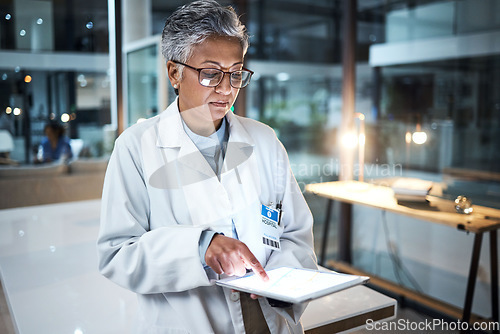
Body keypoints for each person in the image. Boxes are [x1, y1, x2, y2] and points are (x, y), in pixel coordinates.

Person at [97, 1, 317, 333]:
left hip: (269, 321)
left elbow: (295, 233)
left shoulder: (264, 140)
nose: (227, 88)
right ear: (175, 72)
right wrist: (201, 248)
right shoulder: (136, 147)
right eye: (211, 73)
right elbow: (117, 254)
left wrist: (281, 287)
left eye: (236, 73)